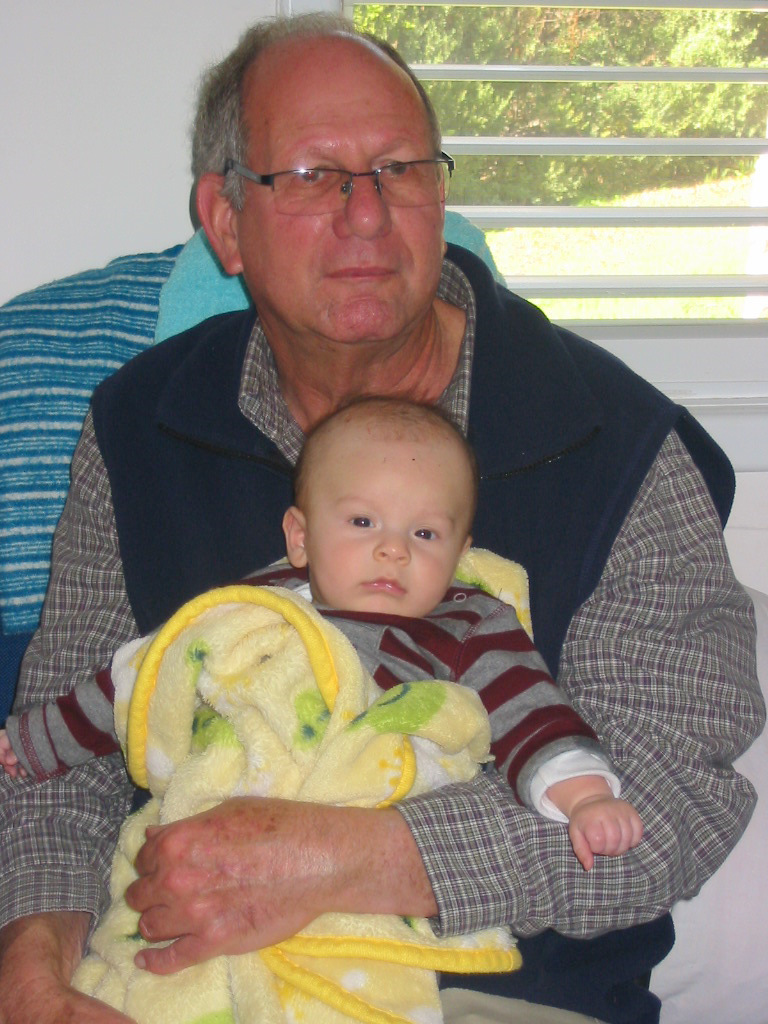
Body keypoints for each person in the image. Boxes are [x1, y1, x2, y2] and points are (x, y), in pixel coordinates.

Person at [0, 12, 761, 1024]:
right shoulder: (143, 424)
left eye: (400, 170)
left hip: (493, 992)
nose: (365, 215)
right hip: (178, 981)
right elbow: (61, 761)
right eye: (313, 175)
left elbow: (672, 798)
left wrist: (355, 858)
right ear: (225, 220)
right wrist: (34, 975)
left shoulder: (605, 439)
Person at [0, 398, 644, 874]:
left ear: (458, 553)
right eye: (363, 521)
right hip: (212, 836)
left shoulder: (467, 624)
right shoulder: (253, 608)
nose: (393, 550)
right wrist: (33, 742)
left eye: (425, 533)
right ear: (301, 537)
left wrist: (584, 796)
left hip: (363, 853)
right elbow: (143, 677)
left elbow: (534, 715)